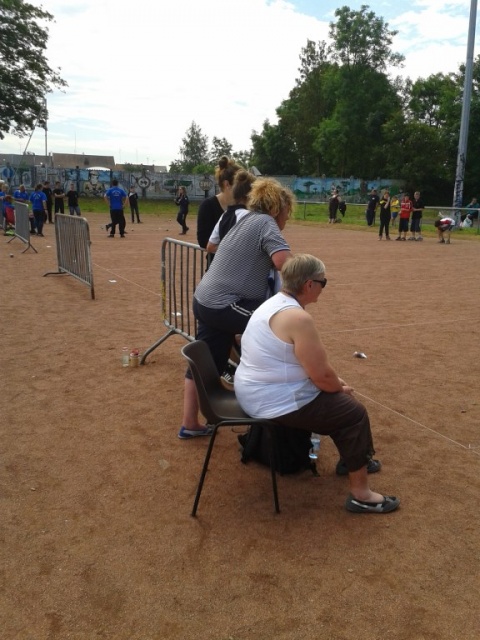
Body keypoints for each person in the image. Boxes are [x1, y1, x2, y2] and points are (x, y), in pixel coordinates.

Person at [234, 254, 400, 514]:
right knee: (352, 413)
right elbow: (322, 377)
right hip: (270, 399)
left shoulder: (273, 303)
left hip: (253, 390)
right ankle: (361, 495)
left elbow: (303, 365)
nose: (324, 286)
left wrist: (333, 384)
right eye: (323, 282)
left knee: (339, 403)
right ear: (309, 284)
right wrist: (338, 388)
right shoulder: (298, 318)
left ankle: (353, 459)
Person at [179, 177, 294, 439]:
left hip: (206, 300)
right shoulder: (266, 222)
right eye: (287, 212)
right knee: (280, 328)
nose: (287, 218)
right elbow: (284, 263)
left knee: (207, 363)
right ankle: (280, 408)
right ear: (276, 208)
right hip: (224, 304)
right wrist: (309, 271)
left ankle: (190, 422)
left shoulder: (245, 220)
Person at [197, 156, 241, 265]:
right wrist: (235, 249)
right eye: (239, 185)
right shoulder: (208, 206)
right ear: (227, 184)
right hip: (216, 267)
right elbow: (204, 241)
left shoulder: (244, 205)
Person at [206, 170, 256, 253]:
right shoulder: (250, 216)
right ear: (251, 194)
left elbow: (211, 247)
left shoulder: (225, 215)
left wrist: (227, 251)